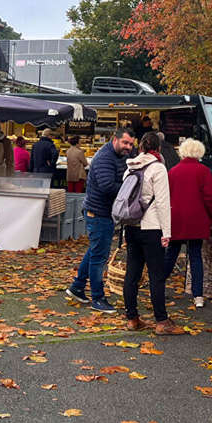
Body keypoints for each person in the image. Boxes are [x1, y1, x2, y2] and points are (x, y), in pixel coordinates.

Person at [65, 126, 135, 312]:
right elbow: (107, 186)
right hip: (98, 213)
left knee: (95, 250)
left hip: (103, 212)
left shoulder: (120, 155)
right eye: (125, 143)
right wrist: (130, 187)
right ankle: (98, 298)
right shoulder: (105, 158)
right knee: (99, 257)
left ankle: (77, 287)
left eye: (130, 144)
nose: (128, 147)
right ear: (115, 139)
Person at [121, 131, 182, 334]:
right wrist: (167, 232)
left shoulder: (129, 167)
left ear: (140, 147)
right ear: (158, 148)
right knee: (156, 276)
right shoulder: (158, 168)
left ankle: (132, 318)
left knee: (132, 274)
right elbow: (163, 203)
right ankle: (162, 321)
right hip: (152, 227)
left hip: (131, 226)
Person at [165, 138, 212, 308]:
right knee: (195, 257)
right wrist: (210, 216)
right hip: (196, 219)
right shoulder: (203, 171)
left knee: (171, 254)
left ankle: (158, 286)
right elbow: (210, 197)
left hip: (176, 218)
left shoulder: (173, 171)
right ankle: (198, 296)